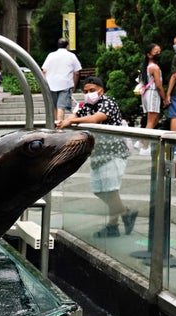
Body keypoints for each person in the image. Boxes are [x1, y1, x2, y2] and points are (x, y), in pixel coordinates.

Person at [56, 76, 138, 238]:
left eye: (92, 91)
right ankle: (126, 213)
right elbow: (75, 114)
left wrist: (71, 122)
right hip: (98, 154)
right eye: (86, 91)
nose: (88, 94)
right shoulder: (86, 105)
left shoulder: (109, 103)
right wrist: (67, 120)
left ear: (101, 90)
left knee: (110, 190)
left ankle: (113, 226)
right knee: (100, 190)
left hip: (114, 152)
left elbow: (95, 119)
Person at [41, 38, 83, 123]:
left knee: (54, 107)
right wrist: (74, 86)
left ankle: (53, 127)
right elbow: (77, 72)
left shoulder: (51, 55)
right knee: (61, 107)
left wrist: (44, 84)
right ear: (67, 46)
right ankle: (60, 128)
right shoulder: (71, 56)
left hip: (51, 84)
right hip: (65, 84)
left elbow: (44, 71)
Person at [138, 43, 167, 155]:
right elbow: (159, 86)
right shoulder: (155, 67)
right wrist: (164, 98)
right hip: (153, 93)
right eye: (156, 52)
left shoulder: (146, 67)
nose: (159, 54)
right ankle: (145, 147)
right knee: (151, 121)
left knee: (153, 119)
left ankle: (141, 142)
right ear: (149, 55)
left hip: (146, 94)